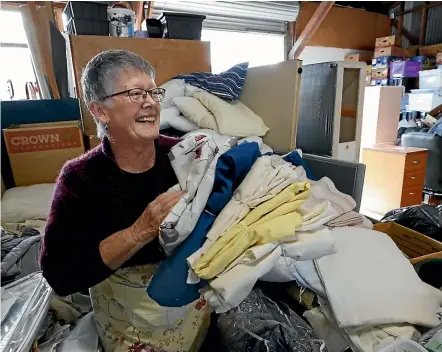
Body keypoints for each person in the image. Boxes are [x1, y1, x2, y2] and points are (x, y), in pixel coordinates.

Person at [41, 50, 210, 352]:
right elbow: (59, 275)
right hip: (128, 323)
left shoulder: (186, 155)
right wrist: (139, 231)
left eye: (154, 92)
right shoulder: (79, 178)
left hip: (191, 310)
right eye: (134, 93)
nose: (150, 101)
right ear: (100, 111)